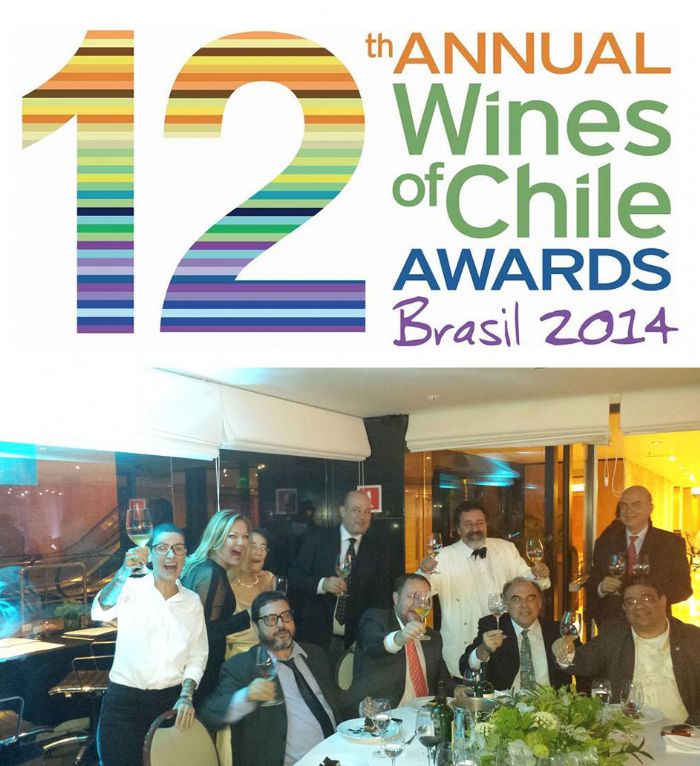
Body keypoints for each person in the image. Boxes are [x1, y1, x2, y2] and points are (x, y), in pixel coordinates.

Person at [91, 524, 208, 766]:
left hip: (169, 702)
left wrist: (186, 696)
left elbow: (198, 655)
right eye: (162, 548)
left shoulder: (192, 601)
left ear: (185, 556)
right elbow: (100, 611)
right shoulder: (131, 587)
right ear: (151, 554)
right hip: (124, 702)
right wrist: (123, 572)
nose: (170, 555)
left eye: (178, 548)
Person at [199, 591, 339, 766]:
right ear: (255, 627)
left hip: (340, 753)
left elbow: (335, 702)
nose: (281, 625)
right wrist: (246, 696)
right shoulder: (242, 668)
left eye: (286, 616)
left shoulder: (315, 654)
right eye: (271, 619)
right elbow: (210, 714)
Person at [419, 501, 551, 676]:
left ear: (486, 524)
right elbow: (420, 592)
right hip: (463, 647)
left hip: (503, 644)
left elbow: (530, 582)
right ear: (458, 529)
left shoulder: (506, 548)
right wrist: (424, 571)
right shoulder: (443, 557)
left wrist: (539, 574)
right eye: (468, 524)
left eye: (479, 523)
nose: (475, 528)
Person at [554, 574, 700, 724]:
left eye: (646, 598)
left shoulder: (693, 639)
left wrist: (689, 729)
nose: (639, 606)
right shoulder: (614, 636)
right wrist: (565, 650)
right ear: (624, 608)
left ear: (662, 601)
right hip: (628, 729)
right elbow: (582, 661)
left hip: (681, 729)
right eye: (631, 602)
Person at [288, 490, 392, 668]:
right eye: (356, 510)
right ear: (342, 511)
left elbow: (382, 597)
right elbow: (294, 577)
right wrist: (323, 584)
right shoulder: (318, 539)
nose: (362, 516)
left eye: (367, 512)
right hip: (317, 636)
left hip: (358, 641)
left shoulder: (378, 550)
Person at [586, 485, 692, 630]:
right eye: (624, 505)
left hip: (654, 626)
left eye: (636, 505)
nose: (629, 511)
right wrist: (601, 587)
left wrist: (651, 596)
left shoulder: (670, 543)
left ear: (650, 508)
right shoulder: (605, 542)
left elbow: (684, 588)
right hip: (613, 625)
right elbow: (593, 580)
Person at [349, 573, 454, 710]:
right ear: (396, 598)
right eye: (411, 596)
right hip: (389, 713)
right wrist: (400, 638)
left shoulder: (433, 637)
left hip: (426, 713)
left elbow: (442, 679)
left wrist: (458, 690)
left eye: (424, 598)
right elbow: (371, 643)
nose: (417, 604)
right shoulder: (376, 619)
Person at [180, 510, 252, 701]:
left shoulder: (201, 567)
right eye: (232, 536)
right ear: (216, 538)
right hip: (203, 670)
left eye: (245, 536)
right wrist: (249, 616)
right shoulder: (212, 573)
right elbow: (205, 632)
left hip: (194, 668)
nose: (241, 542)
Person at [460, 577, 573, 691]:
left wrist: (569, 653)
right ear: (506, 604)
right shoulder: (493, 626)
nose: (524, 605)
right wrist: (484, 649)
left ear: (540, 602)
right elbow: (465, 668)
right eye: (516, 599)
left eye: (531, 598)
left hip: (551, 701)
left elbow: (580, 667)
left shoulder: (559, 630)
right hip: (506, 701)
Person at [227, 528, 277, 658]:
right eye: (253, 547)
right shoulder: (228, 577)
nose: (259, 552)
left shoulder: (268, 579)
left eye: (263, 548)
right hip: (235, 649)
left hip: (265, 648)